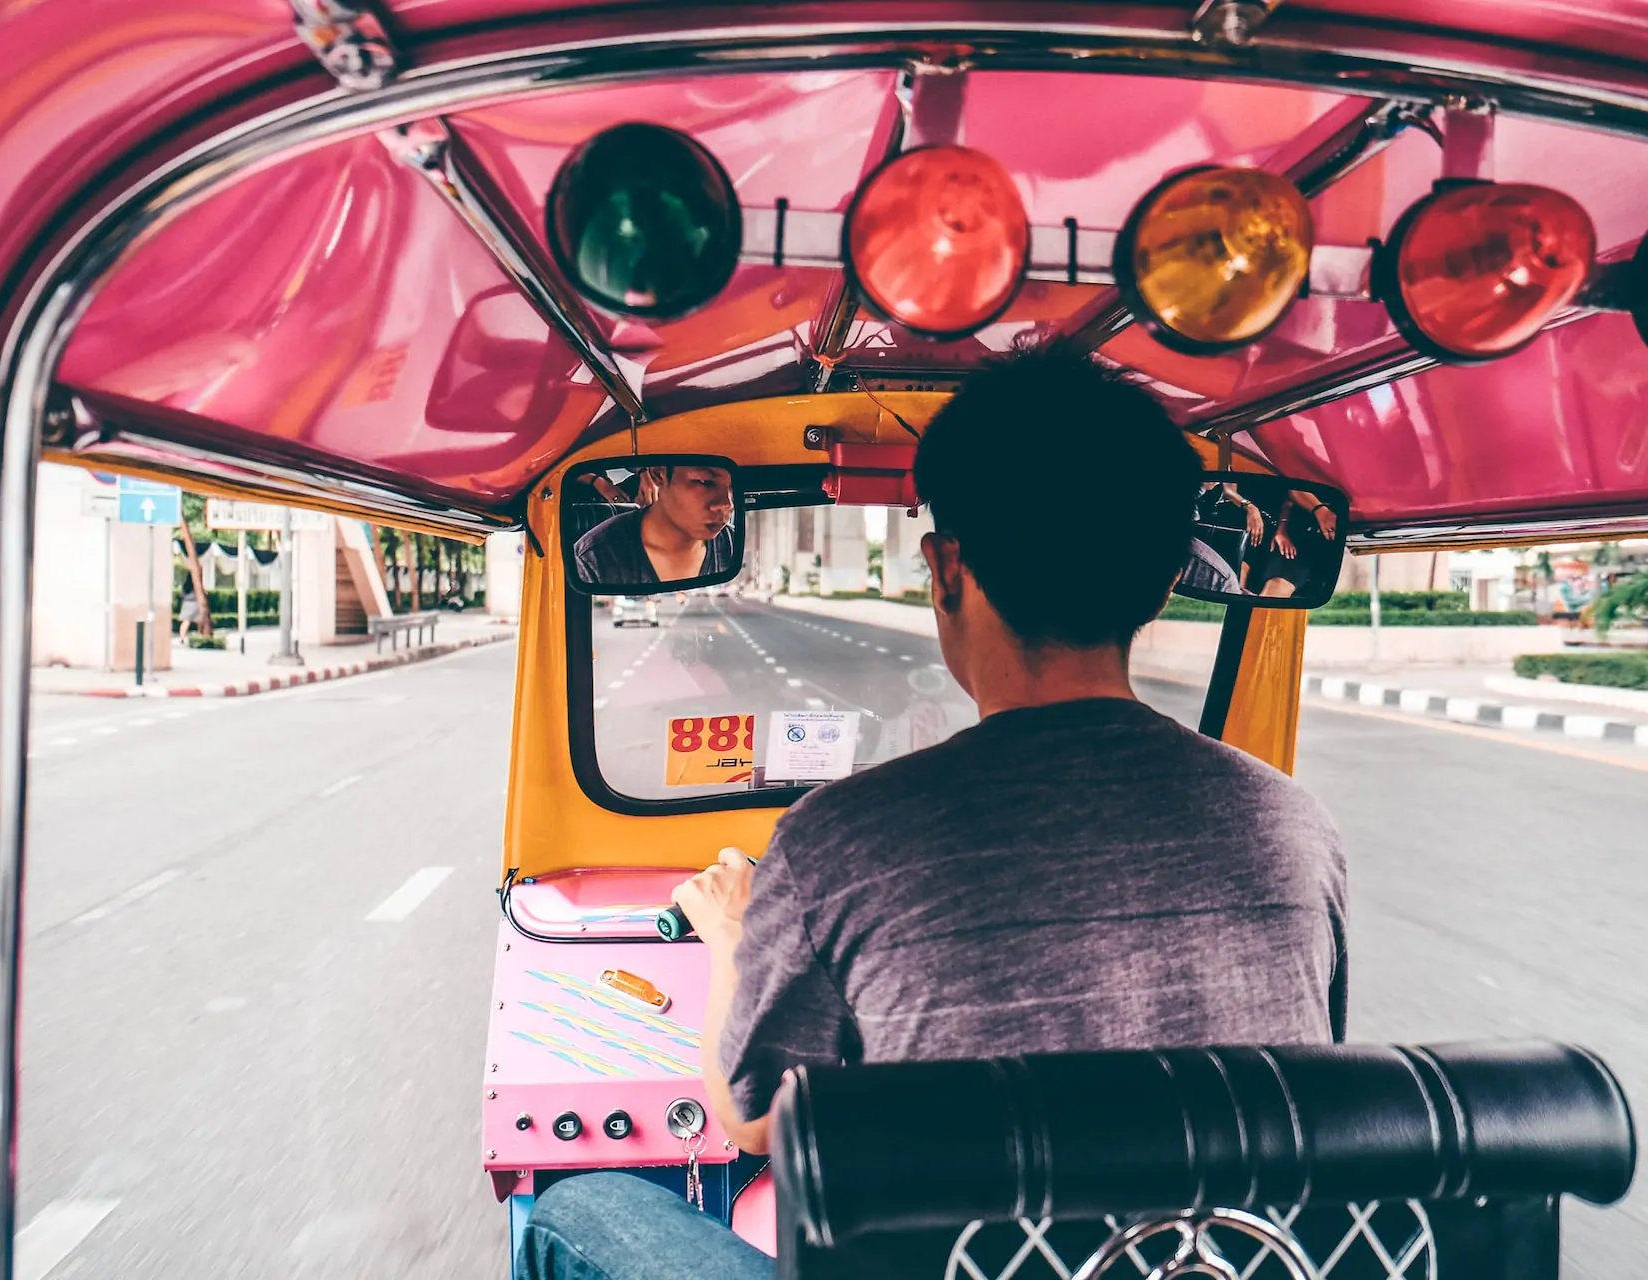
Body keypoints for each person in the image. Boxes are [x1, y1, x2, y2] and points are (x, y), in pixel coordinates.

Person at [518, 350, 1348, 1280]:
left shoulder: (843, 841)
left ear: (946, 568)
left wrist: (733, 936)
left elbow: (751, 1118)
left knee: (573, 1209)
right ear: (1158, 585)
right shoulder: (1293, 827)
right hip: (1210, 1262)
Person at [571, 465, 738, 587]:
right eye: (705, 482)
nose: (726, 503)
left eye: (734, 487)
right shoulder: (592, 560)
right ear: (659, 474)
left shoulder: (733, 546)